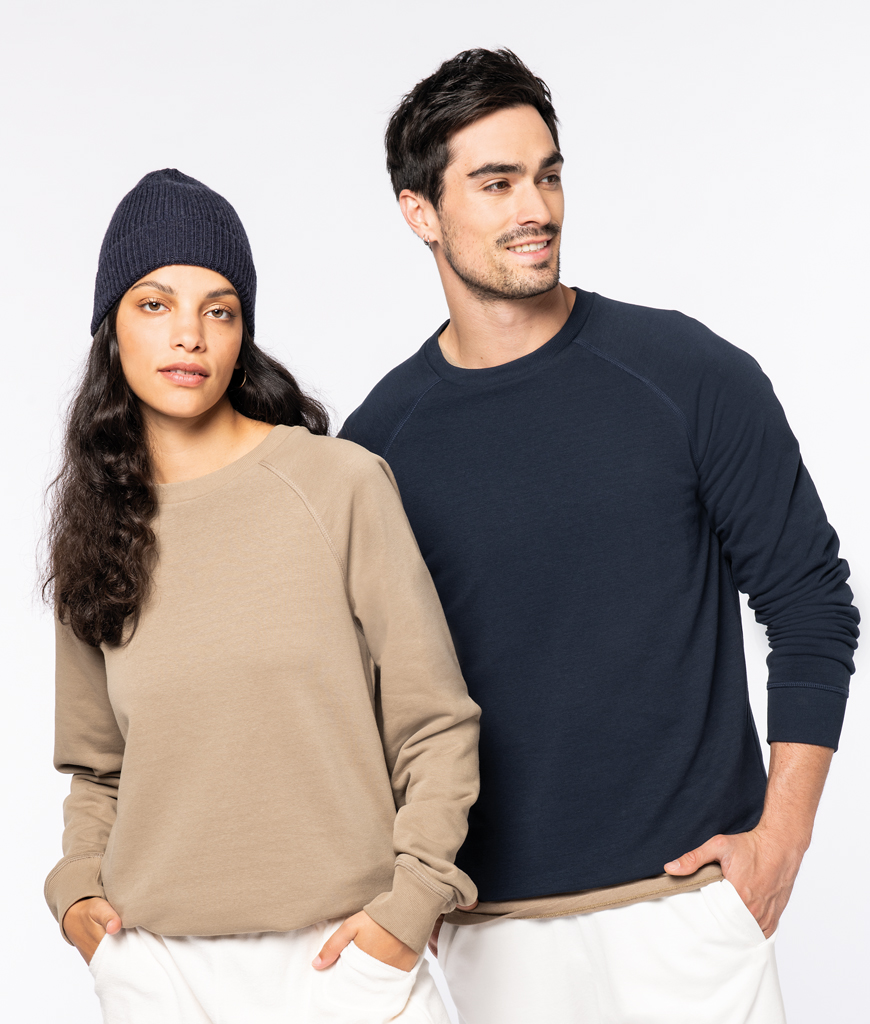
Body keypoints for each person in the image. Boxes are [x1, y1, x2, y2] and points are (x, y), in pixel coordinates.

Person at [339, 49, 860, 1024]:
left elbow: (811, 605)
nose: (534, 207)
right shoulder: (376, 449)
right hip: (494, 936)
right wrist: (408, 882)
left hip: (688, 916)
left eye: (547, 175)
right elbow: (361, 695)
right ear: (420, 212)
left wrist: (781, 838)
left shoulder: (688, 374)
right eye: (496, 183)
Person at [43, 168, 480, 1024]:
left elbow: (434, 722)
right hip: (162, 973)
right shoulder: (98, 527)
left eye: (219, 310)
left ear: (243, 332)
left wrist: (411, 904)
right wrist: (78, 895)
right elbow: (97, 770)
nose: (189, 335)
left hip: (342, 962)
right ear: (111, 328)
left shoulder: (337, 485)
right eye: (155, 304)